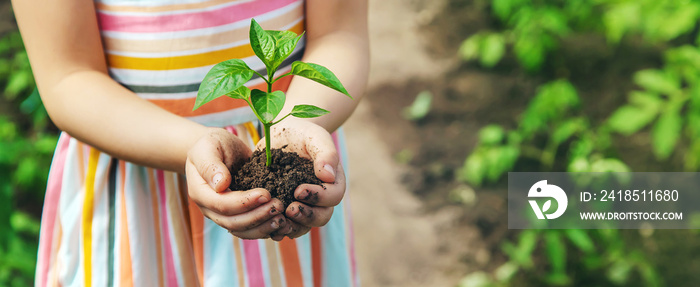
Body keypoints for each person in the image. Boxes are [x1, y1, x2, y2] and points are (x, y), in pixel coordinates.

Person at [12, 0, 369, 285]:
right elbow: (68, 75)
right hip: (137, 174)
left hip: (285, 154)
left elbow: (339, 35)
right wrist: (192, 145)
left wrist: (296, 124)